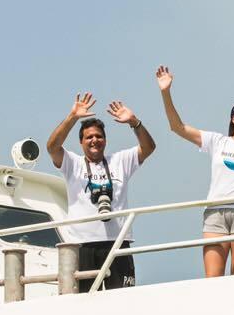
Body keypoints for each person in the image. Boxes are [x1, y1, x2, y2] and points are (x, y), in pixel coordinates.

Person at [156, 65, 234, 277]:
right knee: (213, 279)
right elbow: (177, 127)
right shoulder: (218, 141)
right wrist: (165, 92)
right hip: (215, 212)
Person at [46, 91, 156, 291]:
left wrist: (134, 122)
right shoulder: (73, 163)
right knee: (83, 301)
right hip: (83, 245)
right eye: (89, 137)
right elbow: (52, 147)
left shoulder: (120, 161)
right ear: (81, 142)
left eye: (99, 136)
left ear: (105, 140)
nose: (94, 140)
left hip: (117, 243)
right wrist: (72, 117)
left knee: (123, 300)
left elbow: (148, 147)